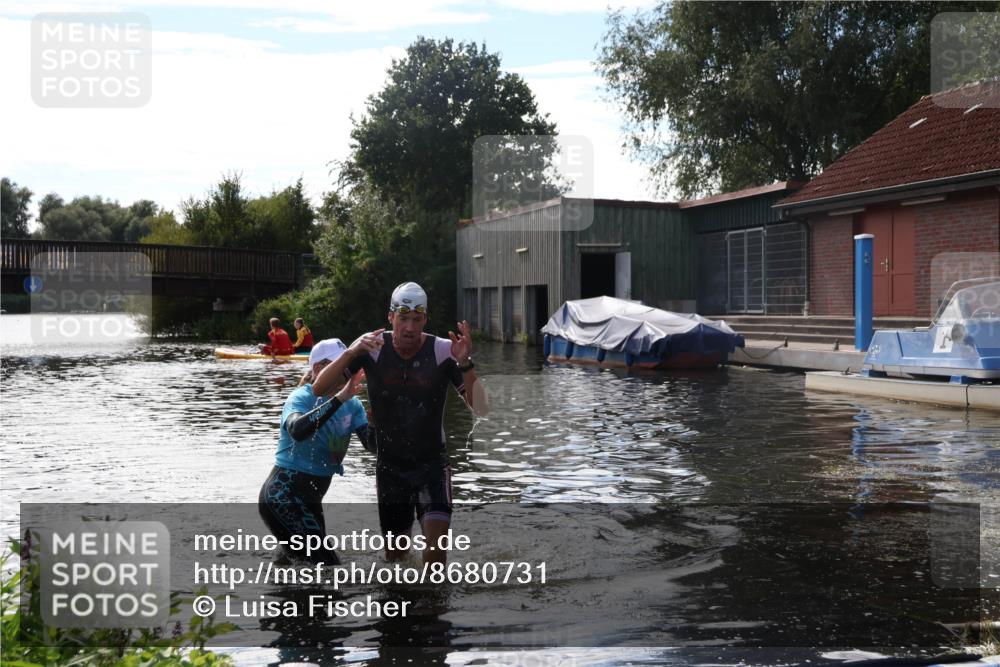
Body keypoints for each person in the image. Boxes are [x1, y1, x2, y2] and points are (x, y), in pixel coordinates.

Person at [313, 282, 487, 566]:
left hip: (432, 466)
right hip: (390, 470)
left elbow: (481, 408)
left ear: (425, 320)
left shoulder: (444, 351)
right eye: (403, 318)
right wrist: (350, 352)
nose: (409, 327)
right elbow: (319, 389)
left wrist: (465, 363)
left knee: (435, 558)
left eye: (417, 320)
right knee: (396, 562)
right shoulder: (371, 349)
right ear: (390, 317)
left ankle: (434, 607)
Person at [258, 338, 375, 563]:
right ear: (320, 368)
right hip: (281, 496)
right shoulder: (301, 397)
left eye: (349, 368)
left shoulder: (353, 405)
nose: (347, 374)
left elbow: (372, 446)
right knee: (328, 566)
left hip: (311, 501)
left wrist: (377, 423)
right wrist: (339, 399)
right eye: (342, 368)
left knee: (298, 566)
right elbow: (297, 430)